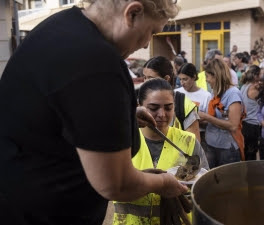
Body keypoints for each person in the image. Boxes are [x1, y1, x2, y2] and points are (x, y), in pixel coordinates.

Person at [0, 1, 188, 224]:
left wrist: (124, 114)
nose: (146, 44)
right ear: (133, 13)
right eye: (150, 32)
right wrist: (163, 183)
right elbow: (116, 184)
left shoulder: (62, 26)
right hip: (43, 215)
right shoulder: (96, 61)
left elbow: (65, 107)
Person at [113, 78, 209, 225]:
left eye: (168, 107)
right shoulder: (123, 139)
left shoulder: (188, 141)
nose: (162, 114)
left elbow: (203, 189)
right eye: (153, 108)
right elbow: (109, 187)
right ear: (140, 107)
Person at [198, 59, 245, 168]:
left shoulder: (233, 94)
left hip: (227, 149)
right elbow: (214, 119)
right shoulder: (215, 92)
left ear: (216, 76)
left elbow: (233, 125)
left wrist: (206, 117)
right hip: (211, 145)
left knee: (227, 183)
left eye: (208, 76)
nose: (206, 80)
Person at [142, 56, 201, 141]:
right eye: (144, 77)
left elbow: (194, 146)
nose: (146, 82)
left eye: (151, 78)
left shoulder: (184, 104)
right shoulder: (139, 102)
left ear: (166, 79)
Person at [175, 63, 212, 144]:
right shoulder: (176, 93)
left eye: (185, 79)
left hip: (199, 135)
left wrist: (195, 119)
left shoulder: (206, 96)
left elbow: (210, 120)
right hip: (179, 134)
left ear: (194, 77)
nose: (182, 82)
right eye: (180, 79)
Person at [240, 65, 262, 160]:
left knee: (245, 153)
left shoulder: (244, 86)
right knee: (251, 155)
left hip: (244, 124)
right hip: (253, 125)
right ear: (256, 76)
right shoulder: (255, 88)